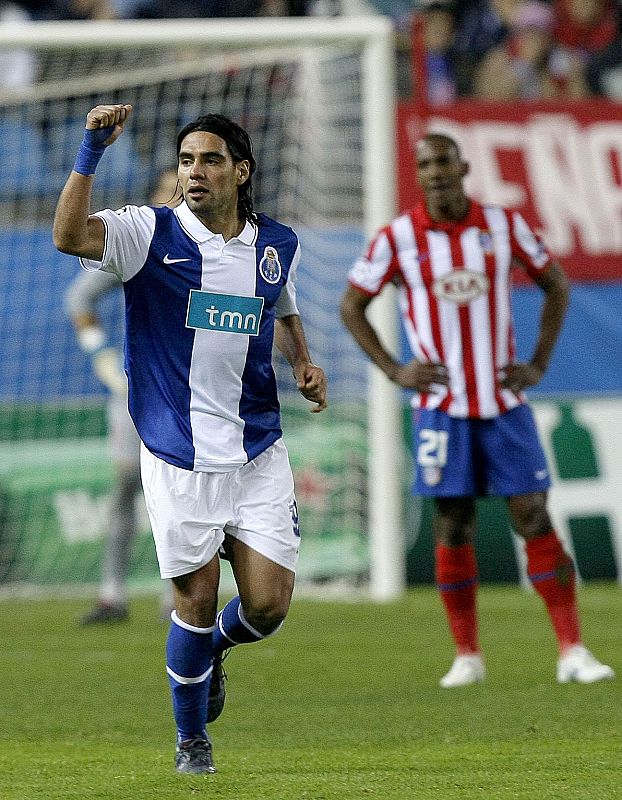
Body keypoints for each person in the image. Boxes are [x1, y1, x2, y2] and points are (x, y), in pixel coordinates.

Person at [53, 103, 327, 774]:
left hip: (257, 447)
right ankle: (192, 742)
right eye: (184, 161)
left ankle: (215, 653)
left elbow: (282, 306)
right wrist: (91, 151)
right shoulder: (147, 232)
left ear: (241, 170)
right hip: (177, 451)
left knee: (266, 606)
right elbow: (66, 237)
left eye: (207, 159)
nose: (193, 172)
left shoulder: (275, 244)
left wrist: (301, 361)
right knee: (196, 598)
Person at [340, 132, 615, 689]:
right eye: (424, 164)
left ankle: (572, 649)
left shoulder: (504, 226)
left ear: (463, 166)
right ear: (417, 174)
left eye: (443, 161)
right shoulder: (397, 238)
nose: (435, 171)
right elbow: (352, 306)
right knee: (453, 524)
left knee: (532, 515)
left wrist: (537, 363)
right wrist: (396, 371)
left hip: (503, 403)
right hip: (440, 409)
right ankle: (467, 654)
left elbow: (555, 285)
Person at [64, 167, 179, 625]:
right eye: (166, 190)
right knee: (127, 485)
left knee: (181, 493)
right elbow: (79, 300)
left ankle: (177, 597)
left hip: (191, 393)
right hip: (137, 391)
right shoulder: (138, 245)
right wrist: (102, 356)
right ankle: (112, 594)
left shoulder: (213, 249)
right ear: (151, 197)